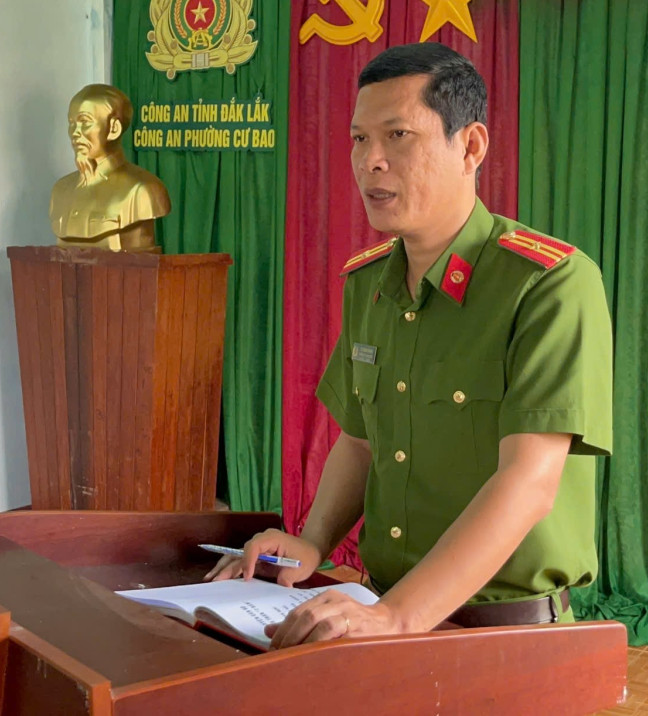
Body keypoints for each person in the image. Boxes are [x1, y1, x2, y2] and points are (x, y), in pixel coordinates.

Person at [207, 43, 613, 649]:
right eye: (358, 139)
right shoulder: (369, 284)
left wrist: (399, 615)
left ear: (470, 146)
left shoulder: (548, 284)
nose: (370, 161)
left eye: (398, 136)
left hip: (503, 636)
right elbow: (360, 440)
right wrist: (311, 541)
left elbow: (528, 481)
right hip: (381, 618)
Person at [49, 83, 171, 252]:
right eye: (72, 123)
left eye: (85, 122)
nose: (75, 133)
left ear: (114, 128)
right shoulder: (61, 190)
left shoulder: (143, 190)